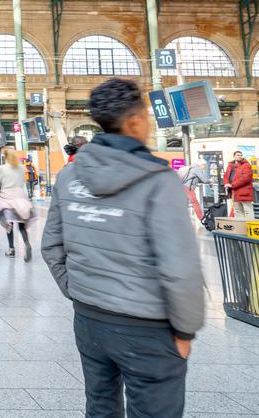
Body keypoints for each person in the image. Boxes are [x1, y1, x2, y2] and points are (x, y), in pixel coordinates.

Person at [42, 78, 204, 418]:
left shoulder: (70, 177)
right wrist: (185, 329)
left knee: (100, 408)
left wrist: (78, 291)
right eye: (145, 115)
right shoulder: (159, 181)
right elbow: (181, 269)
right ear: (133, 121)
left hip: (89, 320)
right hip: (148, 328)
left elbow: (52, 245)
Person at [0, 148, 34, 261]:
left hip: (7, 198)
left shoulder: (2, 168)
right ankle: (27, 244)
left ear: (5, 157)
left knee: (9, 225)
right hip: (20, 198)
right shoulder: (21, 168)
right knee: (22, 225)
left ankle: (11, 249)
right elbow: (23, 182)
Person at [224, 150, 254, 219]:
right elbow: (226, 175)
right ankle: (241, 226)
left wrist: (232, 185)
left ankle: (250, 226)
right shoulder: (230, 165)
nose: (239, 156)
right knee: (237, 210)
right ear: (234, 156)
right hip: (234, 191)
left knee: (247, 210)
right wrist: (226, 183)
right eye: (238, 155)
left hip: (244, 191)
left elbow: (246, 178)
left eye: (240, 155)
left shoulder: (246, 165)